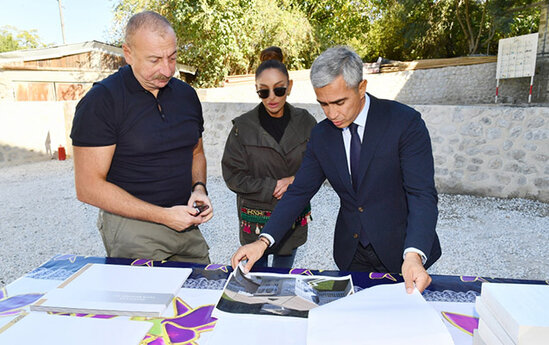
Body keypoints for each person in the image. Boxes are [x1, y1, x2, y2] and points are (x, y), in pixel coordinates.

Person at [231, 46, 441, 293]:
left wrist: (415, 254)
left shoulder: (405, 123)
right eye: (323, 104)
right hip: (351, 254)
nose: (332, 114)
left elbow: (421, 194)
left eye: (339, 102)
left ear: (361, 88)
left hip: (403, 253)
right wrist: (263, 241)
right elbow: (299, 192)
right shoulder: (322, 135)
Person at [70, 11, 212, 264]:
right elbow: (88, 187)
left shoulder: (186, 95)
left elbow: (195, 152)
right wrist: (164, 216)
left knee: (199, 296)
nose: (167, 70)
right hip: (134, 229)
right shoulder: (102, 101)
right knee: (148, 301)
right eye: (155, 60)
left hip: (186, 222)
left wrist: (199, 188)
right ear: (128, 53)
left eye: (173, 57)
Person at [222, 47, 317, 268]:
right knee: (256, 277)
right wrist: (272, 186)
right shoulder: (242, 127)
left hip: (292, 214)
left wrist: (294, 181)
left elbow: (319, 165)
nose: (272, 98)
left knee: (283, 275)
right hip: (256, 217)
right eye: (263, 92)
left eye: (279, 90)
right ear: (256, 90)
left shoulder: (306, 123)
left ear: (289, 87)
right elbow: (232, 175)